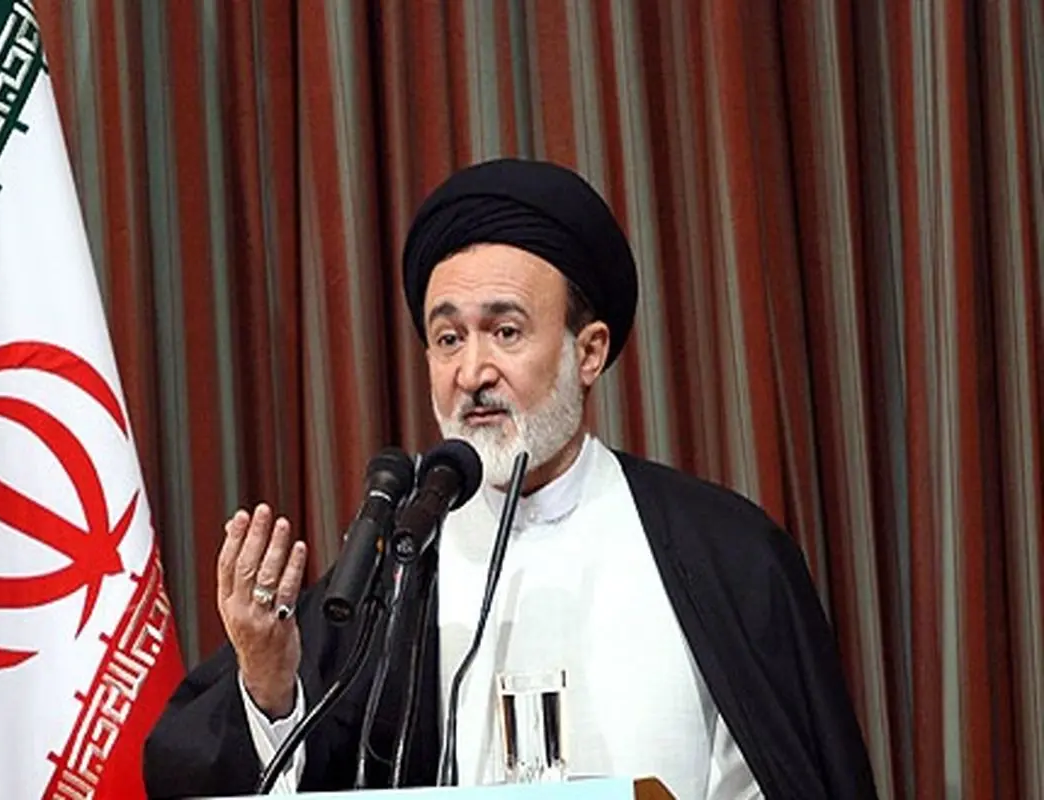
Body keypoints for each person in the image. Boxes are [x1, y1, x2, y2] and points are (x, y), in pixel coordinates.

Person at [142, 158, 878, 799]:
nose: (472, 372)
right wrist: (269, 684)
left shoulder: (724, 553)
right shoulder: (399, 572)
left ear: (587, 353)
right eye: (448, 338)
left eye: (506, 331)